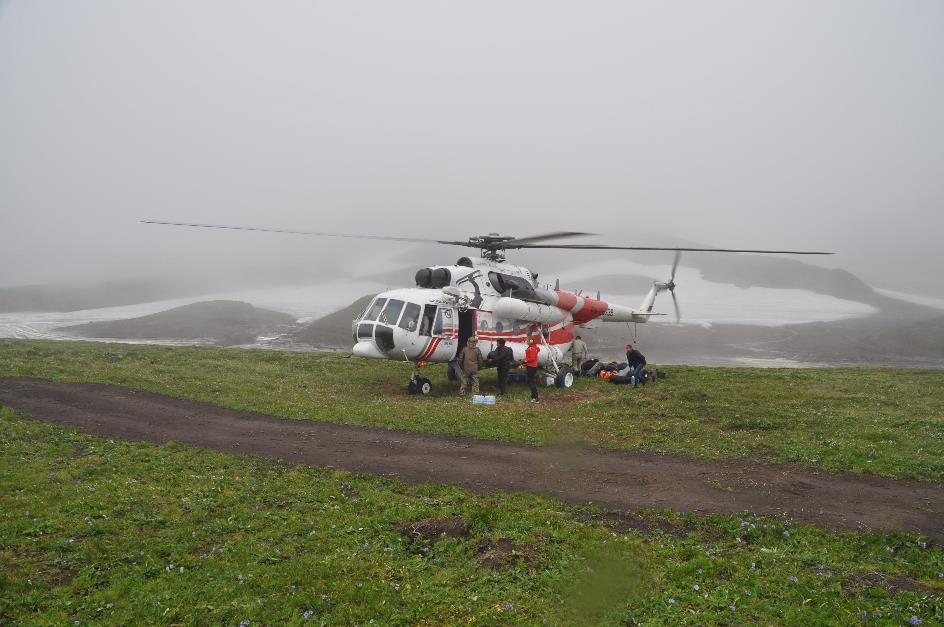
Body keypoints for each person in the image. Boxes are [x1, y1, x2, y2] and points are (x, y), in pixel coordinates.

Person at [524, 337, 540, 403]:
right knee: (531, 381)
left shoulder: (532, 348)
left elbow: (532, 358)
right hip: (532, 366)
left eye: (527, 341)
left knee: (531, 382)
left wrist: (525, 360)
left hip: (531, 366)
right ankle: (533, 397)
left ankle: (535, 397)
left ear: (530, 341)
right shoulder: (534, 347)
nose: (526, 341)